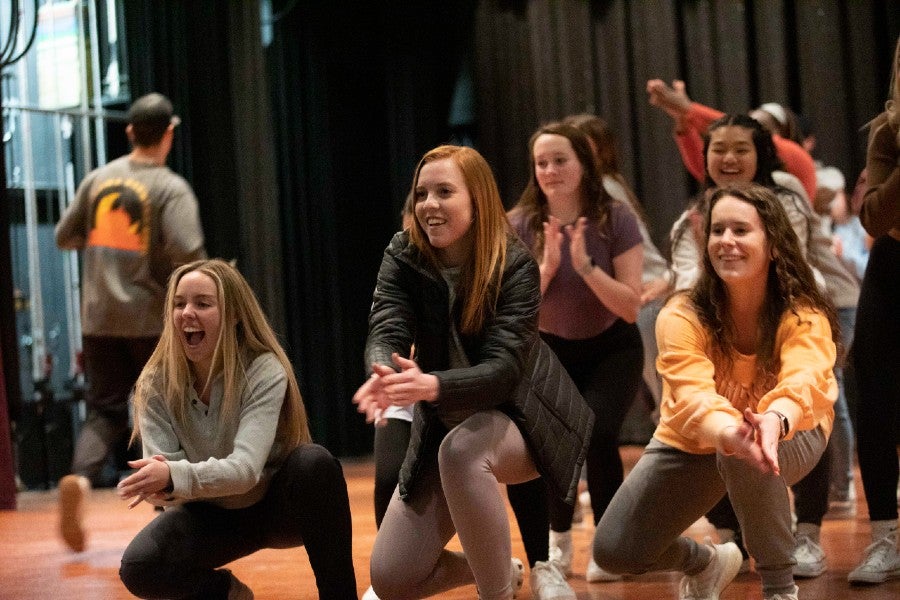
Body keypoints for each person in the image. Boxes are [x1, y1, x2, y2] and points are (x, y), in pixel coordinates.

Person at [355, 145, 593, 600]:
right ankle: (497, 566)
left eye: (444, 192)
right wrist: (382, 369)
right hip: (445, 424)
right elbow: (387, 323)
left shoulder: (514, 264)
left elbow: (504, 371)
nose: (429, 204)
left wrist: (433, 385)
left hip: (524, 422)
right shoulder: (403, 253)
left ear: (477, 200)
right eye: (422, 193)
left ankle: (496, 593)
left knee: (462, 452)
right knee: (390, 578)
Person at [594, 183, 839, 600]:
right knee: (614, 551)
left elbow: (806, 376)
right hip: (700, 437)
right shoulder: (682, 312)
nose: (726, 241)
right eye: (717, 230)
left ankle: (780, 589)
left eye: (741, 230)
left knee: (749, 454)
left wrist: (773, 420)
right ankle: (707, 563)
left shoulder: (802, 312)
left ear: (774, 244)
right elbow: (689, 396)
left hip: (792, 430)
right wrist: (730, 431)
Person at [668, 113, 858, 579]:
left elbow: (787, 262)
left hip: (801, 307)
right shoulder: (692, 215)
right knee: (724, 424)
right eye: (718, 149)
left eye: (741, 149)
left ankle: (807, 532)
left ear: (762, 154)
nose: (729, 158)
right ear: (703, 157)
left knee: (805, 409)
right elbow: (689, 282)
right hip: (723, 324)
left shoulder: (786, 195)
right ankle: (731, 537)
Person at [116, 259, 356, 599]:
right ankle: (226, 593)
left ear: (234, 315)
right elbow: (169, 487)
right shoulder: (155, 383)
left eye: (202, 303)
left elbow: (244, 472)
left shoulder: (263, 370)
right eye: (179, 303)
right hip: (209, 515)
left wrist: (172, 475)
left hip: (275, 508)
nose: (187, 313)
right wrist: (164, 485)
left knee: (314, 464)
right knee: (139, 568)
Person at [54, 92, 206, 552]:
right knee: (161, 410)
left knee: (105, 410)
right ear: (170, 134)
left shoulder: (99, 178)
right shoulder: (170, 188)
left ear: (128, 132)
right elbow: (190, 255)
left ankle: (79, 479)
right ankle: (169, 514)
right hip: (147, 319)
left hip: (98, 317)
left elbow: (64, 236)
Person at [508, 122, 644, 583]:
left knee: (599, 432)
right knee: (552, 442)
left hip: (612, 348)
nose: (550, 170)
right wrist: (545, 271)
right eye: (541, 162)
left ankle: (610, 545)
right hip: (548, 350)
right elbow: (511, 313)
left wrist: (585, 267)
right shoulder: (518, 224)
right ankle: (558, 542)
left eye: (560, 160)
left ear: (583, 164)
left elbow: (629, 307)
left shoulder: (616, 218)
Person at [563, 113, 672, 414]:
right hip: (638, 299)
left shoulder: (602, 190)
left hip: (646, 297)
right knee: (658, 393)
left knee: (666, 395)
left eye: (581, 146)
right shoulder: (603, 186)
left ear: (600, 151)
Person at [847, 34, 900, 585]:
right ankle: (885, 536)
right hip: (893, 268)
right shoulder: (889, 131)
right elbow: (875, 218)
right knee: (876, 402)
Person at [646, 79, 817, 202]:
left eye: (760, 128)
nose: (751, 132)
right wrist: (683, 120)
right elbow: (704, 168)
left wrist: (689, 109)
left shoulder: (798, 164)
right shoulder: (746, 177)